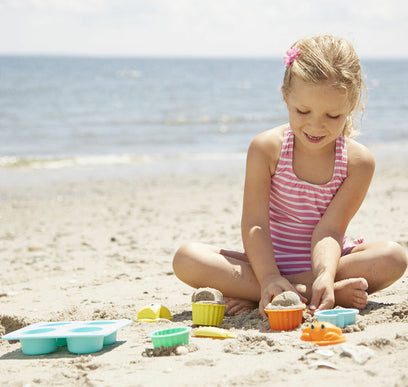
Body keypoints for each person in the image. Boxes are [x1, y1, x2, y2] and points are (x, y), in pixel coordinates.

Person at [172, 35, 408, 318]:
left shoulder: (358, 162)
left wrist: (323, 273)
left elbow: (330, 231)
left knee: (394, 257)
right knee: (186, 259)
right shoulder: (267, 148)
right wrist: (270, 275)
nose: (315, 125)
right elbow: (255, 224)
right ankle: (306, 290)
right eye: (302, 111)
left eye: (332, 116)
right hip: (265, 264)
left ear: (351, 107)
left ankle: (291, 291)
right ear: (285, 96)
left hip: (330, 261)